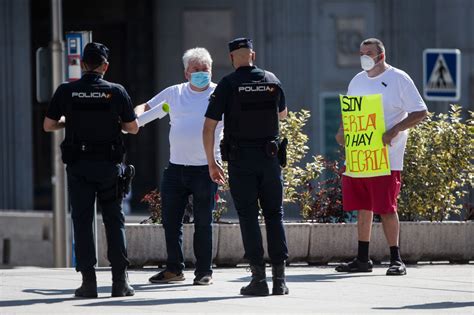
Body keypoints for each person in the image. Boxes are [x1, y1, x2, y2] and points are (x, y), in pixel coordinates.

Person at [43, 42, 139, 297]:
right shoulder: (116, 91)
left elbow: (48, 125)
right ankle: (120, 282)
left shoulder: (66, 91)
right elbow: (133, 128)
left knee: (82, 222)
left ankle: (88, 283)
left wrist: (69, 121)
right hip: (109, 167)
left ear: (82, 64)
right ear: (105, 66)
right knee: (113, 220)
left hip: (79, 167)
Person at [203, 38, 289, 296]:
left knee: (249, 217)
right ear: (253, 54)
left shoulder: (228, 85)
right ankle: (280, 280)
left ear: (231, 58)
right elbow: (283, 114)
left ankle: (259, 280)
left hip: (242, 162)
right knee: (275, 215)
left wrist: (211, 162)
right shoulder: (272, 80)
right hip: (270, 159)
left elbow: (209, 127)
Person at [335, 38, 428, 276]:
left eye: (369, 53)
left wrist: (395, 130)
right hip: (360, 156)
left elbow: (421, 111)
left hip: (388, 157)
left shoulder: (399, 79)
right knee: (363, 207)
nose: (364, 56)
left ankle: (396, 259)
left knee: (386, 207)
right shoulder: (357, 80)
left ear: (381, 56)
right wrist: (343, 132)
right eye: (361, 53)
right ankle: (362, 259)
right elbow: (350, 112)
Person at [135, 47, 223, 286]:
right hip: (176, 169)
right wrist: (135, 115)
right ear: (186, 73)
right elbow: (146, 107)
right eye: (196, 70)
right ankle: (174, 269)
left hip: (206, 169)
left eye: (206, 70)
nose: (202, 74)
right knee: (170, 221)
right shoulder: (174, 93)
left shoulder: (220, 94)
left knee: (203, 222)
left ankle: (204, 272)